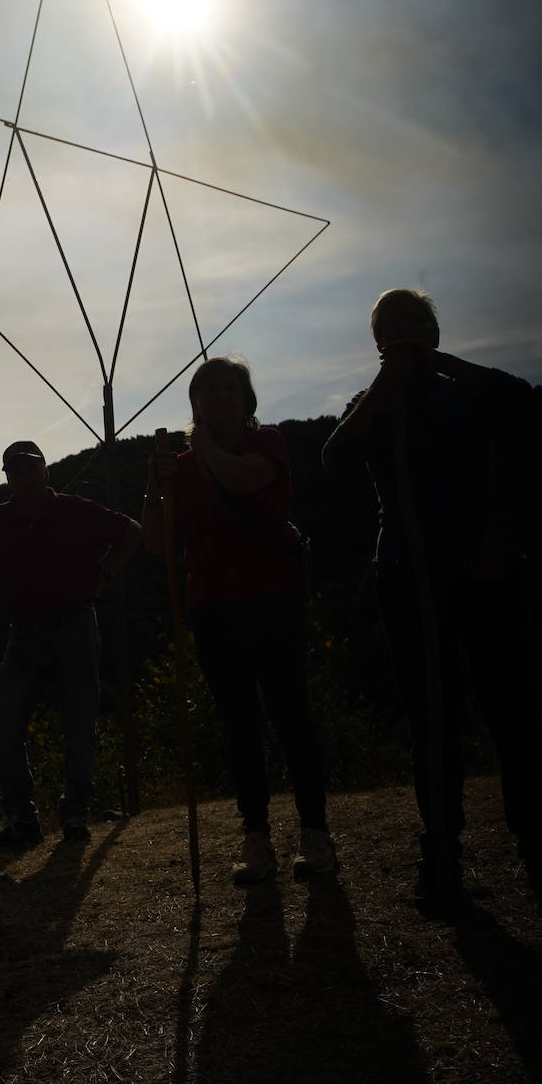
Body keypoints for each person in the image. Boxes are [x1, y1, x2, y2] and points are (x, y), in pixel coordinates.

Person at [322, 287, 542, 910]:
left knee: (510, 708)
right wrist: (387, 385)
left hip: (484, 561)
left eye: (417, 323)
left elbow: (522, 400)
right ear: (377, 342)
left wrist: (443, 365)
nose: (405, 333)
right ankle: (442, 853)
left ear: (434, 332)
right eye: (392, 326)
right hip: (407, 569)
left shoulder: (466, 392)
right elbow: (336, 458)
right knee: (431, 720)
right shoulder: (371, 405)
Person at [142, 356, 334, 885]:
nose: (221, 396)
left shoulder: (265, 443)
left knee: (292, 714)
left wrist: (198, 447)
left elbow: (243, 483)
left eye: (231, 388)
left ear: (248, 400)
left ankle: (315, 832)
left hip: (274, 597)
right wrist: (153, 488)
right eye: (208, 389)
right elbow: (156, 543)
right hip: (213, 603)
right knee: (241, 725)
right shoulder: (178, 469)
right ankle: (257, 839)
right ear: (195, 403)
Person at [0, 440, 141, 848]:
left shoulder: (73, 509)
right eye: (16, 470)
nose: (25, 475)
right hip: (25, 635)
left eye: (32, 467)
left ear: (45, 472)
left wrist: (104, 574)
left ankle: (75, 815)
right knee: (3, 723)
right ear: (9, 478)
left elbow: (132, 532)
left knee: (80, 722)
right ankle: (23, 821)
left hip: (75, 625)